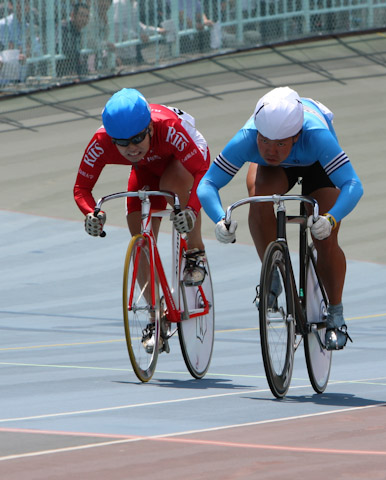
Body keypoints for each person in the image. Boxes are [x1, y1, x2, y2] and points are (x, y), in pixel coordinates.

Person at [197, 86, 363, 350]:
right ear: (257, 133)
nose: (270, 150)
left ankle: (335, 313)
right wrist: (220, 219)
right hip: (276, 172)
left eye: (280, 144)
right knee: (259, 197)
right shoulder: (248, 138)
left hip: (318, 165)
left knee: (325, 237)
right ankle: (271, 271)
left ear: (296, 136)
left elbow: (354, 185)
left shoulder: (317, 137)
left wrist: (330, 219)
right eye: (264, 141)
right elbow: (207, 184)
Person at [74, 88, 210, 292]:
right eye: (122, 142)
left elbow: (201, 172)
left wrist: (190, 209)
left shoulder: (168, 128)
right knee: (140, 243)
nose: (131, 148)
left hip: (181, 158)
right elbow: (81, 188)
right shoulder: (101, 142)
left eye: (137, 139)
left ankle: (195, 252)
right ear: (112, 138)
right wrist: (92, 213)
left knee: (170, 186)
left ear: (150, 129)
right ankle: (155, 316)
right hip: (146, 167)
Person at [57, 2, 91, 78]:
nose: (84, 19)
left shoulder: (80, 31)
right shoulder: (64, 28)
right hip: (61, 71)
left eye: (87, 16)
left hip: (76, 71)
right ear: (73, 15)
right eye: (81, 15)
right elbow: (66, 50)